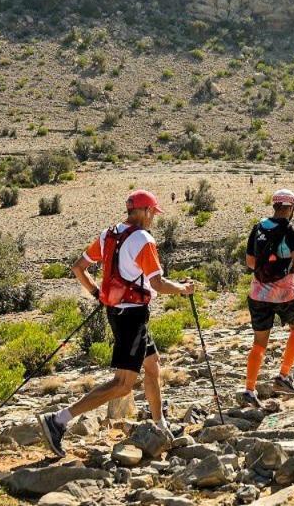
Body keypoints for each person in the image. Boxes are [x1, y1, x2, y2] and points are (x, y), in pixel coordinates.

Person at [37, 189, 195, 456]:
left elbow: (78, 267)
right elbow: (157, 283)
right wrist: (183, 289)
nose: (153, 219)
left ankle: (160, 426)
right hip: (131, 316)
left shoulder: (108, 234)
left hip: (122, 313)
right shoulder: (144, 239)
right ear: (144, 212)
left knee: (153, 367)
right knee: (123, 384)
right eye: (153, 214)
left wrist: (98, 294)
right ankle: (58, 420)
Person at [239, 188, 294, 407]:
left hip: (258, 292)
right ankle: (283, 376)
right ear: (291, 208)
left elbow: (250, 262)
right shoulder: (293, 231)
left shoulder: (258, 227)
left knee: (259, 343)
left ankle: (249, 389)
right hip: (285, 293)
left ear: (275, 206)